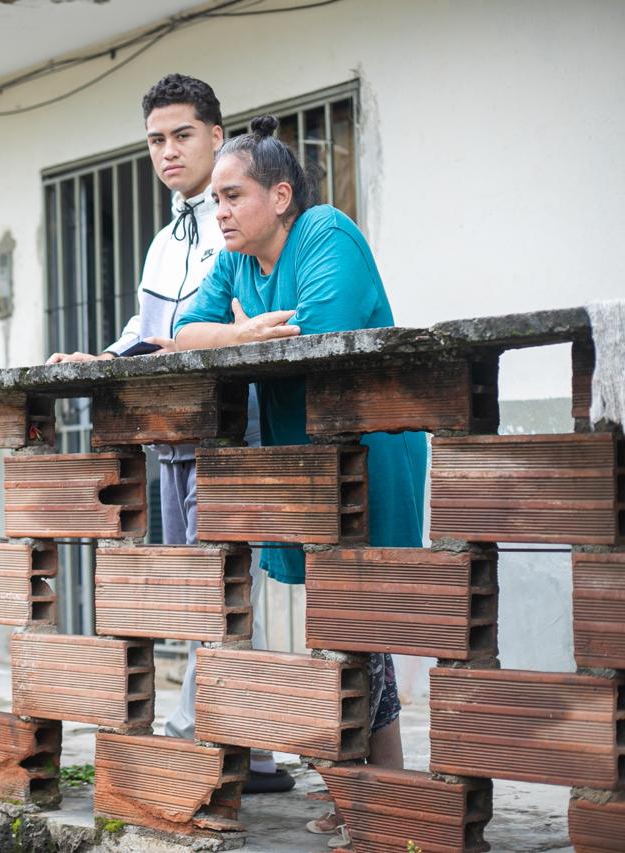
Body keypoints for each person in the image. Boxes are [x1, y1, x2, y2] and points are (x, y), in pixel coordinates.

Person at [174, 115, 427, 850]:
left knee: (363, 623)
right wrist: (244, 332)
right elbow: (188, 332)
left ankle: (382, 803)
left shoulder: (325, 233)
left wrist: (241, 334)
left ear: (280, 195)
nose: (217, 211)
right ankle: (363, 796)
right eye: (214, 198)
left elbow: (316, 336)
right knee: (342, 629)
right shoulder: (236, 261)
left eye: (232, 195)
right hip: (301, 464)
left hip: (366, 458)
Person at [46, 73, 289, 795]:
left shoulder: (240, 225)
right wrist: (105, 359)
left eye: (182, 135)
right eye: (156, 139)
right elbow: (150, 332)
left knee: (233, 583)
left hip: (234, 426)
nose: (168, 151)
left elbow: (231, 329)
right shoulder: (162, 242)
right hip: (172, 435)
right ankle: (253, 751)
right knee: (194, 587)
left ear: (219, 136)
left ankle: (212, 734)